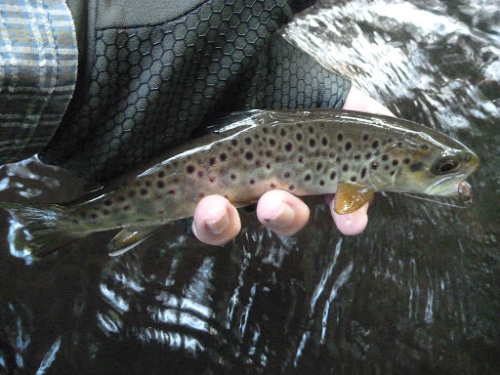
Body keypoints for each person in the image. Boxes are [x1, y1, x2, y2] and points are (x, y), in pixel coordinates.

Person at [0, 0, 392, 247]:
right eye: (442, 168)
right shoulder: (355, 185)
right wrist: (102, 57)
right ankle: (68, 222)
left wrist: (94, 52)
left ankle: (68, 221)